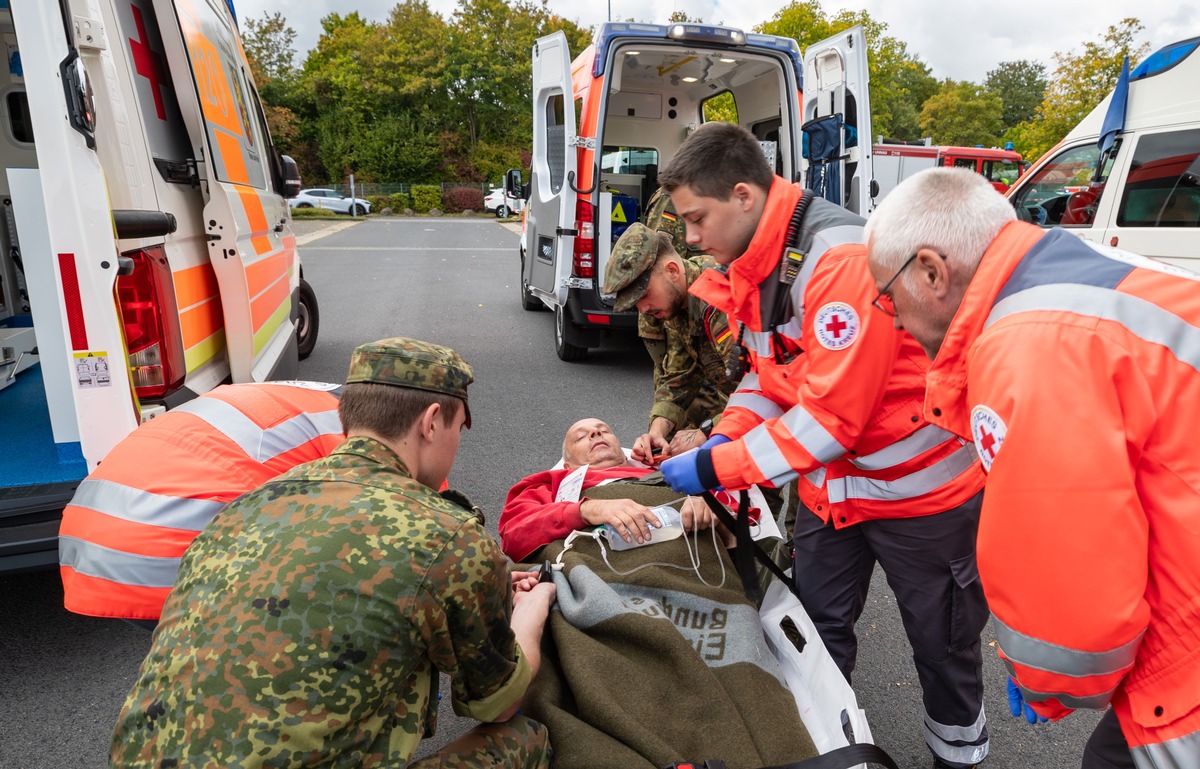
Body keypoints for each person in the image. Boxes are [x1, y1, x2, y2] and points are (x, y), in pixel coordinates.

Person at [656, 122, 990, 769]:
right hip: (834, 495)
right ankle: (830, 752)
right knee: (813, 634)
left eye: (697, 218)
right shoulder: (755, 264)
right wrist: (725, 434)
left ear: (745, 196)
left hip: (919, 496)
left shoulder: (834, 260)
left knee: (941, 648)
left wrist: (714, 464)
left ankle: (959, 760)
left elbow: (830, 421)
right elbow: (766, 375)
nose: (690, 237)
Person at [863, 166, 1200, 769]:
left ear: (933, 271)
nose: (889, 317)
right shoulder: (1076, 275)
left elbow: (1069, 558)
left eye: (888, 295)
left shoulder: (1026, 344)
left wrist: (1048, 675)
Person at [109, 338, 557, 769]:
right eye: (460, 428)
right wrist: (530, 612)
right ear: (431, 421)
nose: (457, 443)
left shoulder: (250, 503)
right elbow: (498, 704)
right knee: (524, 738)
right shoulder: (448, 535)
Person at [58, 381, 345, 628]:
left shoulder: (273, 396)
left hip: (87, 540)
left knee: (188, 658)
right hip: (169, 551)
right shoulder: (347, 429)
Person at [602, 223, 735, 463]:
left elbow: (763, 392)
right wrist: (657, 430)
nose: (642, 309)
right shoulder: (677, 303)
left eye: (644, 296)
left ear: (672, 270)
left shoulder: (722, 298)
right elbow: (678, 376)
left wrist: (706, 432)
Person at [498, 417, 718, 562]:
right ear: (569, 465)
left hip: (691, 562)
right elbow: (514, 535)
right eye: (581, 437)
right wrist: (588, 510)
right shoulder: (552, 483)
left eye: (604, 431)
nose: (595, 432)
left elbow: (743, 512)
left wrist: (707, 504)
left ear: (624, 455)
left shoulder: (675, 472)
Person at [639, 187, 707, 390]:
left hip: (690, 305)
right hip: (669, 310)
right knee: (673, 385)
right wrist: (655, 318)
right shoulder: (671, 199)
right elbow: (655, 266)